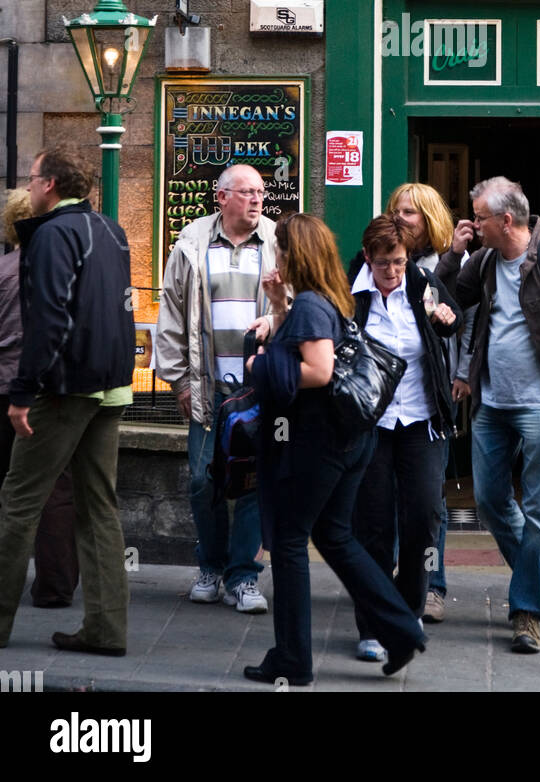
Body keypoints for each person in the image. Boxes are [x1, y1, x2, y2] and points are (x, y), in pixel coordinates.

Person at [243, 211, 427, 685]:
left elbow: (319, 370)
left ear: (294, 254)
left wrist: (260, 369)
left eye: (280, 248)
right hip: (350, 440)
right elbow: (305, 344)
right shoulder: (329, 298)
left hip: (320, 443)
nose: (276, 255)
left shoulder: (311, 304)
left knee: (289, 540)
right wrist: (278, 307)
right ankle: (402, 630)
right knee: (335, 536)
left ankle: (292, 659)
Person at [435, 175, 540, 655]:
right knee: (489, 501)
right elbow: (445, 302)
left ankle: (527, 611)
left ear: (506, 220)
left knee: (538, 511)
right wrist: (453, 253)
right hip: (492, 403)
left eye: (479, 218)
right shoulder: (485, 260)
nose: (473, 224)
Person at [0, 151, 134, 655]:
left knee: (18, 502)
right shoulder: (111, 230)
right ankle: (106, 629)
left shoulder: (53, 234)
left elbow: (49, 319)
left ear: (50, 184)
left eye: (32, 178)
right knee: (99, 508)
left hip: (65, 387)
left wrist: (23, 392)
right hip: (112, 385)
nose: (28, 186)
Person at [156, 163, 281, 613]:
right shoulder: (192, 243)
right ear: (222, 196)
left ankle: (243, 577)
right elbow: (171, 312)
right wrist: (178, 380)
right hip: (207, 385)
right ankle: (209, 566)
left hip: (258, 389)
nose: (256, 199)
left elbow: (295, 305)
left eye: (261, 192)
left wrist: (275, 322)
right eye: (246, 192)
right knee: (201, 479)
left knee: (252, 482)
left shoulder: (277, 241)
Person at [351, 213, 460, 661]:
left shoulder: (422, 283)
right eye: (383, 264)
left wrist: (445, 318)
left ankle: (409, 609)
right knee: (373, 525)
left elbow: (451, 321)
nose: (392, 271)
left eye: (399, 261)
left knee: (424, 516)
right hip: (371, 424)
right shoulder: (350, 292)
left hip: (421, 420)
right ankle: (373, 625)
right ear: (367, 258)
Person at [385, 181, 460, 624]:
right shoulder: (382, 264)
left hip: (434, 396)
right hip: (386, 402)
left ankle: (432, 586)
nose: (400, 217)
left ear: (429, 219)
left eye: (409, 212)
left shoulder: (449, 266)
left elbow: (468, 323)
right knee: (390, 496)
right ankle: (395, 582)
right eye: (396, 210)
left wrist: (462, 376)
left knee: (431, 501)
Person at [0, 187, 79, 609]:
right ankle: (56, 584)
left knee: (11, 489)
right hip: (50, 390)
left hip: (7, 388)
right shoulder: (61, 268)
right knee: (56, 487)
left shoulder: (4, 271)